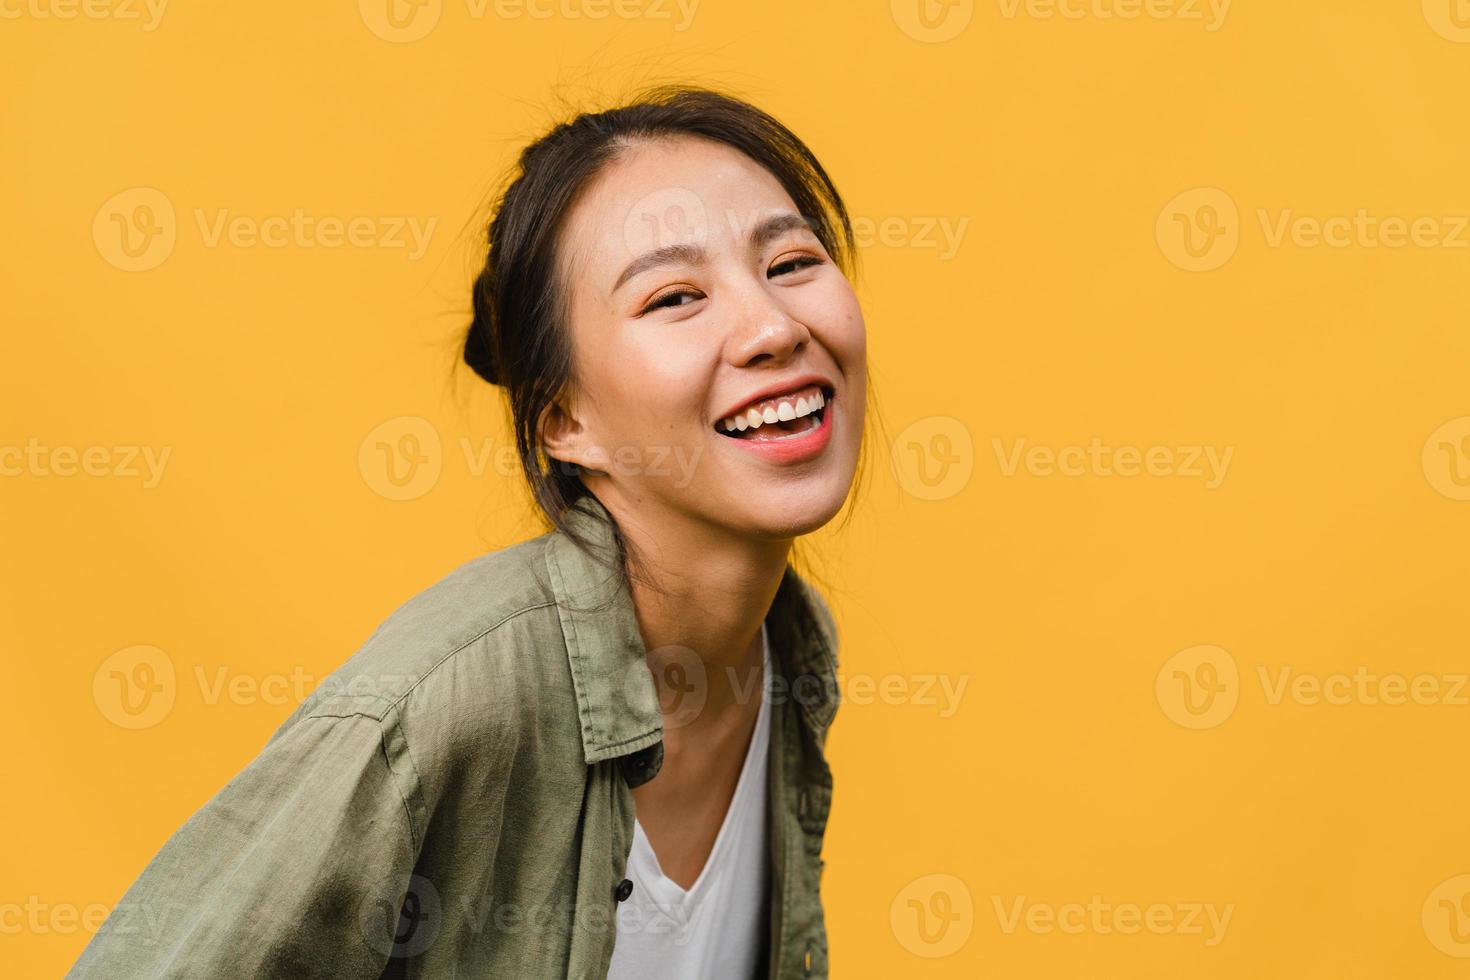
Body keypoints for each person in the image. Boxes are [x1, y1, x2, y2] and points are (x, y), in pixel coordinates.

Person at [69, 85, 870, 979]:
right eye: (676, 296)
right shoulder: (452, 699)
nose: (772, 326)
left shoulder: (790, 650)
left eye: (793, 262)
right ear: (563, 419)